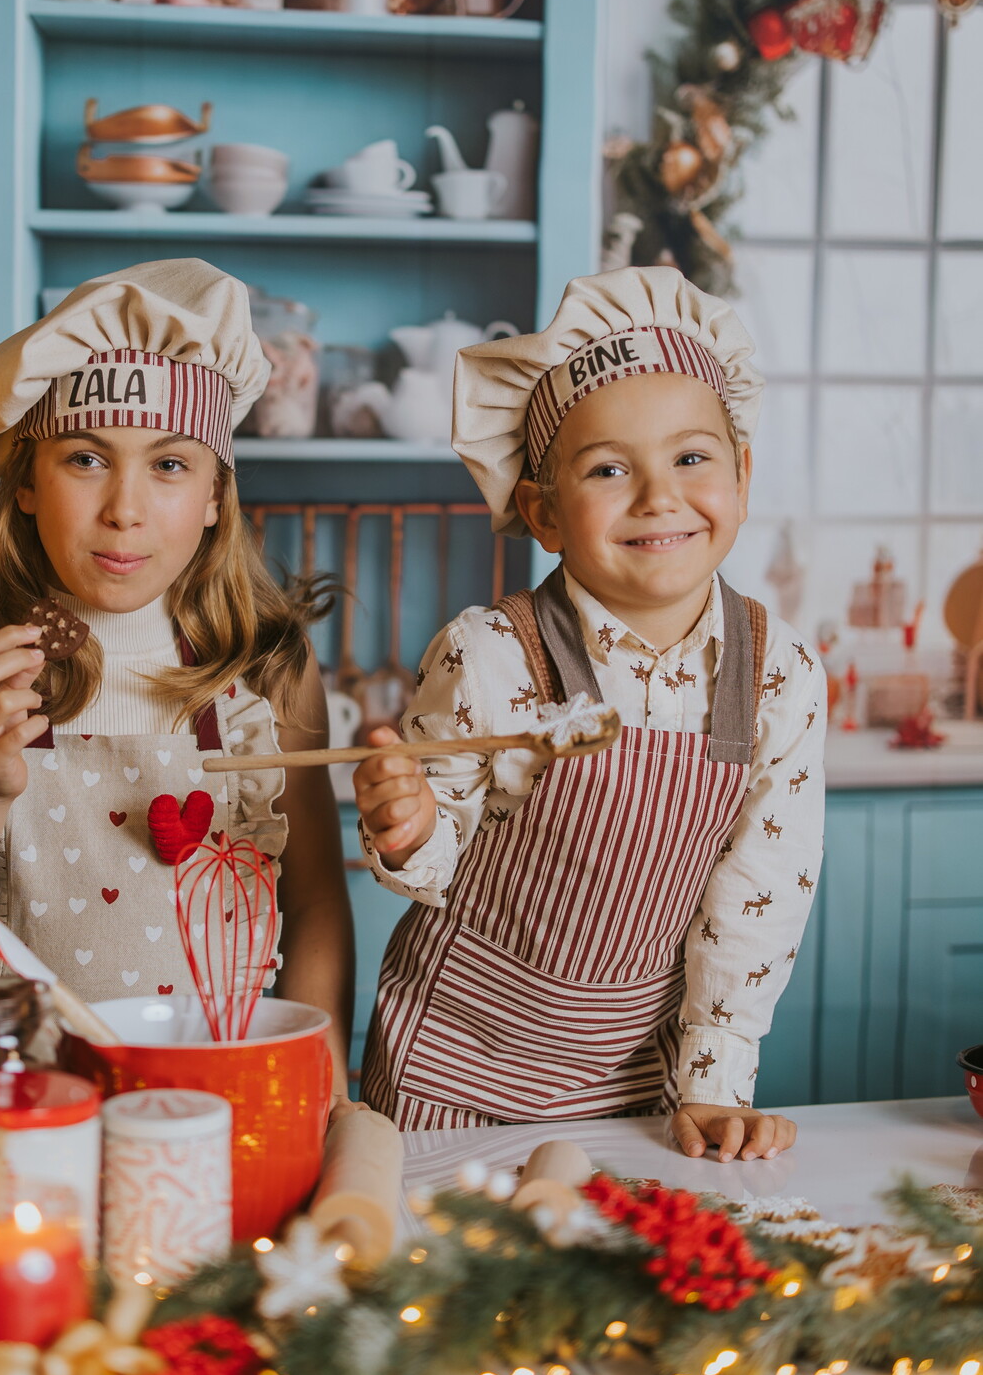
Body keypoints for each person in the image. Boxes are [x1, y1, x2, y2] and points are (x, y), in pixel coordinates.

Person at [353, 267, 824, 1159]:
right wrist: (411, 827)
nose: (658, 497)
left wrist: (713, 1088)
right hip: (451, 1068)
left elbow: (757, 897)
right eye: (609, 469)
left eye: (692, 457)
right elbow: (435, 849)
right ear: (543, 512)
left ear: (743, 473)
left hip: (635, 1086)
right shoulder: (487, 652)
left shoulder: (780, 675)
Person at [0, 259, 354, 1094]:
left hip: (224, 1095)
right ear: (25, 483)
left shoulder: (269, 669)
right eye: (86, 459)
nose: (124, 508)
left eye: (169, 466)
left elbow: (312, 907)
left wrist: (318, 1090)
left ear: (213, 496)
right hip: (10, 1104)